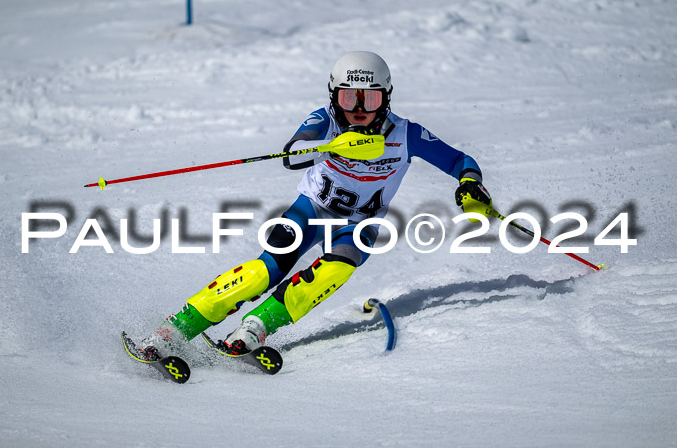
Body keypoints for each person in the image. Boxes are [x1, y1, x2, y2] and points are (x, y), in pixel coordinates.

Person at [140, 51, 491, 357]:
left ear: (385, 98)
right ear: (333, 96)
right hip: (311, 209)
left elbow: (460, 160)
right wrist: (331, 146)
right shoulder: (323, 119)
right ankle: (175, 329)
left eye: (368, 100)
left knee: (340, 265)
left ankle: (257, 327)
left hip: (359, 223)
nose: (357, 110)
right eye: (347, 99)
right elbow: (291, 155)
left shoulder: (406, 134)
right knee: (269, 268)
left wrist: (470, 185)